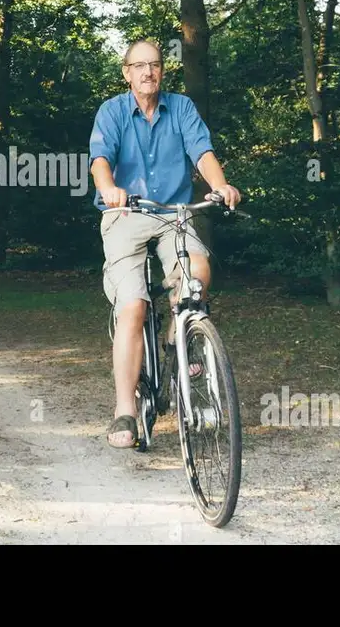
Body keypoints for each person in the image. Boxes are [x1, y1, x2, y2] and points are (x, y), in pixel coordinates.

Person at [89, 40, 241, 449]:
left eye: (154, 65)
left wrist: (219, 184)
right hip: (125, 214)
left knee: (198, 272)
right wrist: (109, 189)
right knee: (133, 306)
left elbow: (201, 151)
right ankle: (124, 409)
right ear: (126, 73)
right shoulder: (113, 111)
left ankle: (178, 334)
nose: (147, 72)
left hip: (174, 212)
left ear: (162, 70)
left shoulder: (182, 108)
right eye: (139, 66)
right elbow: (100, 159)